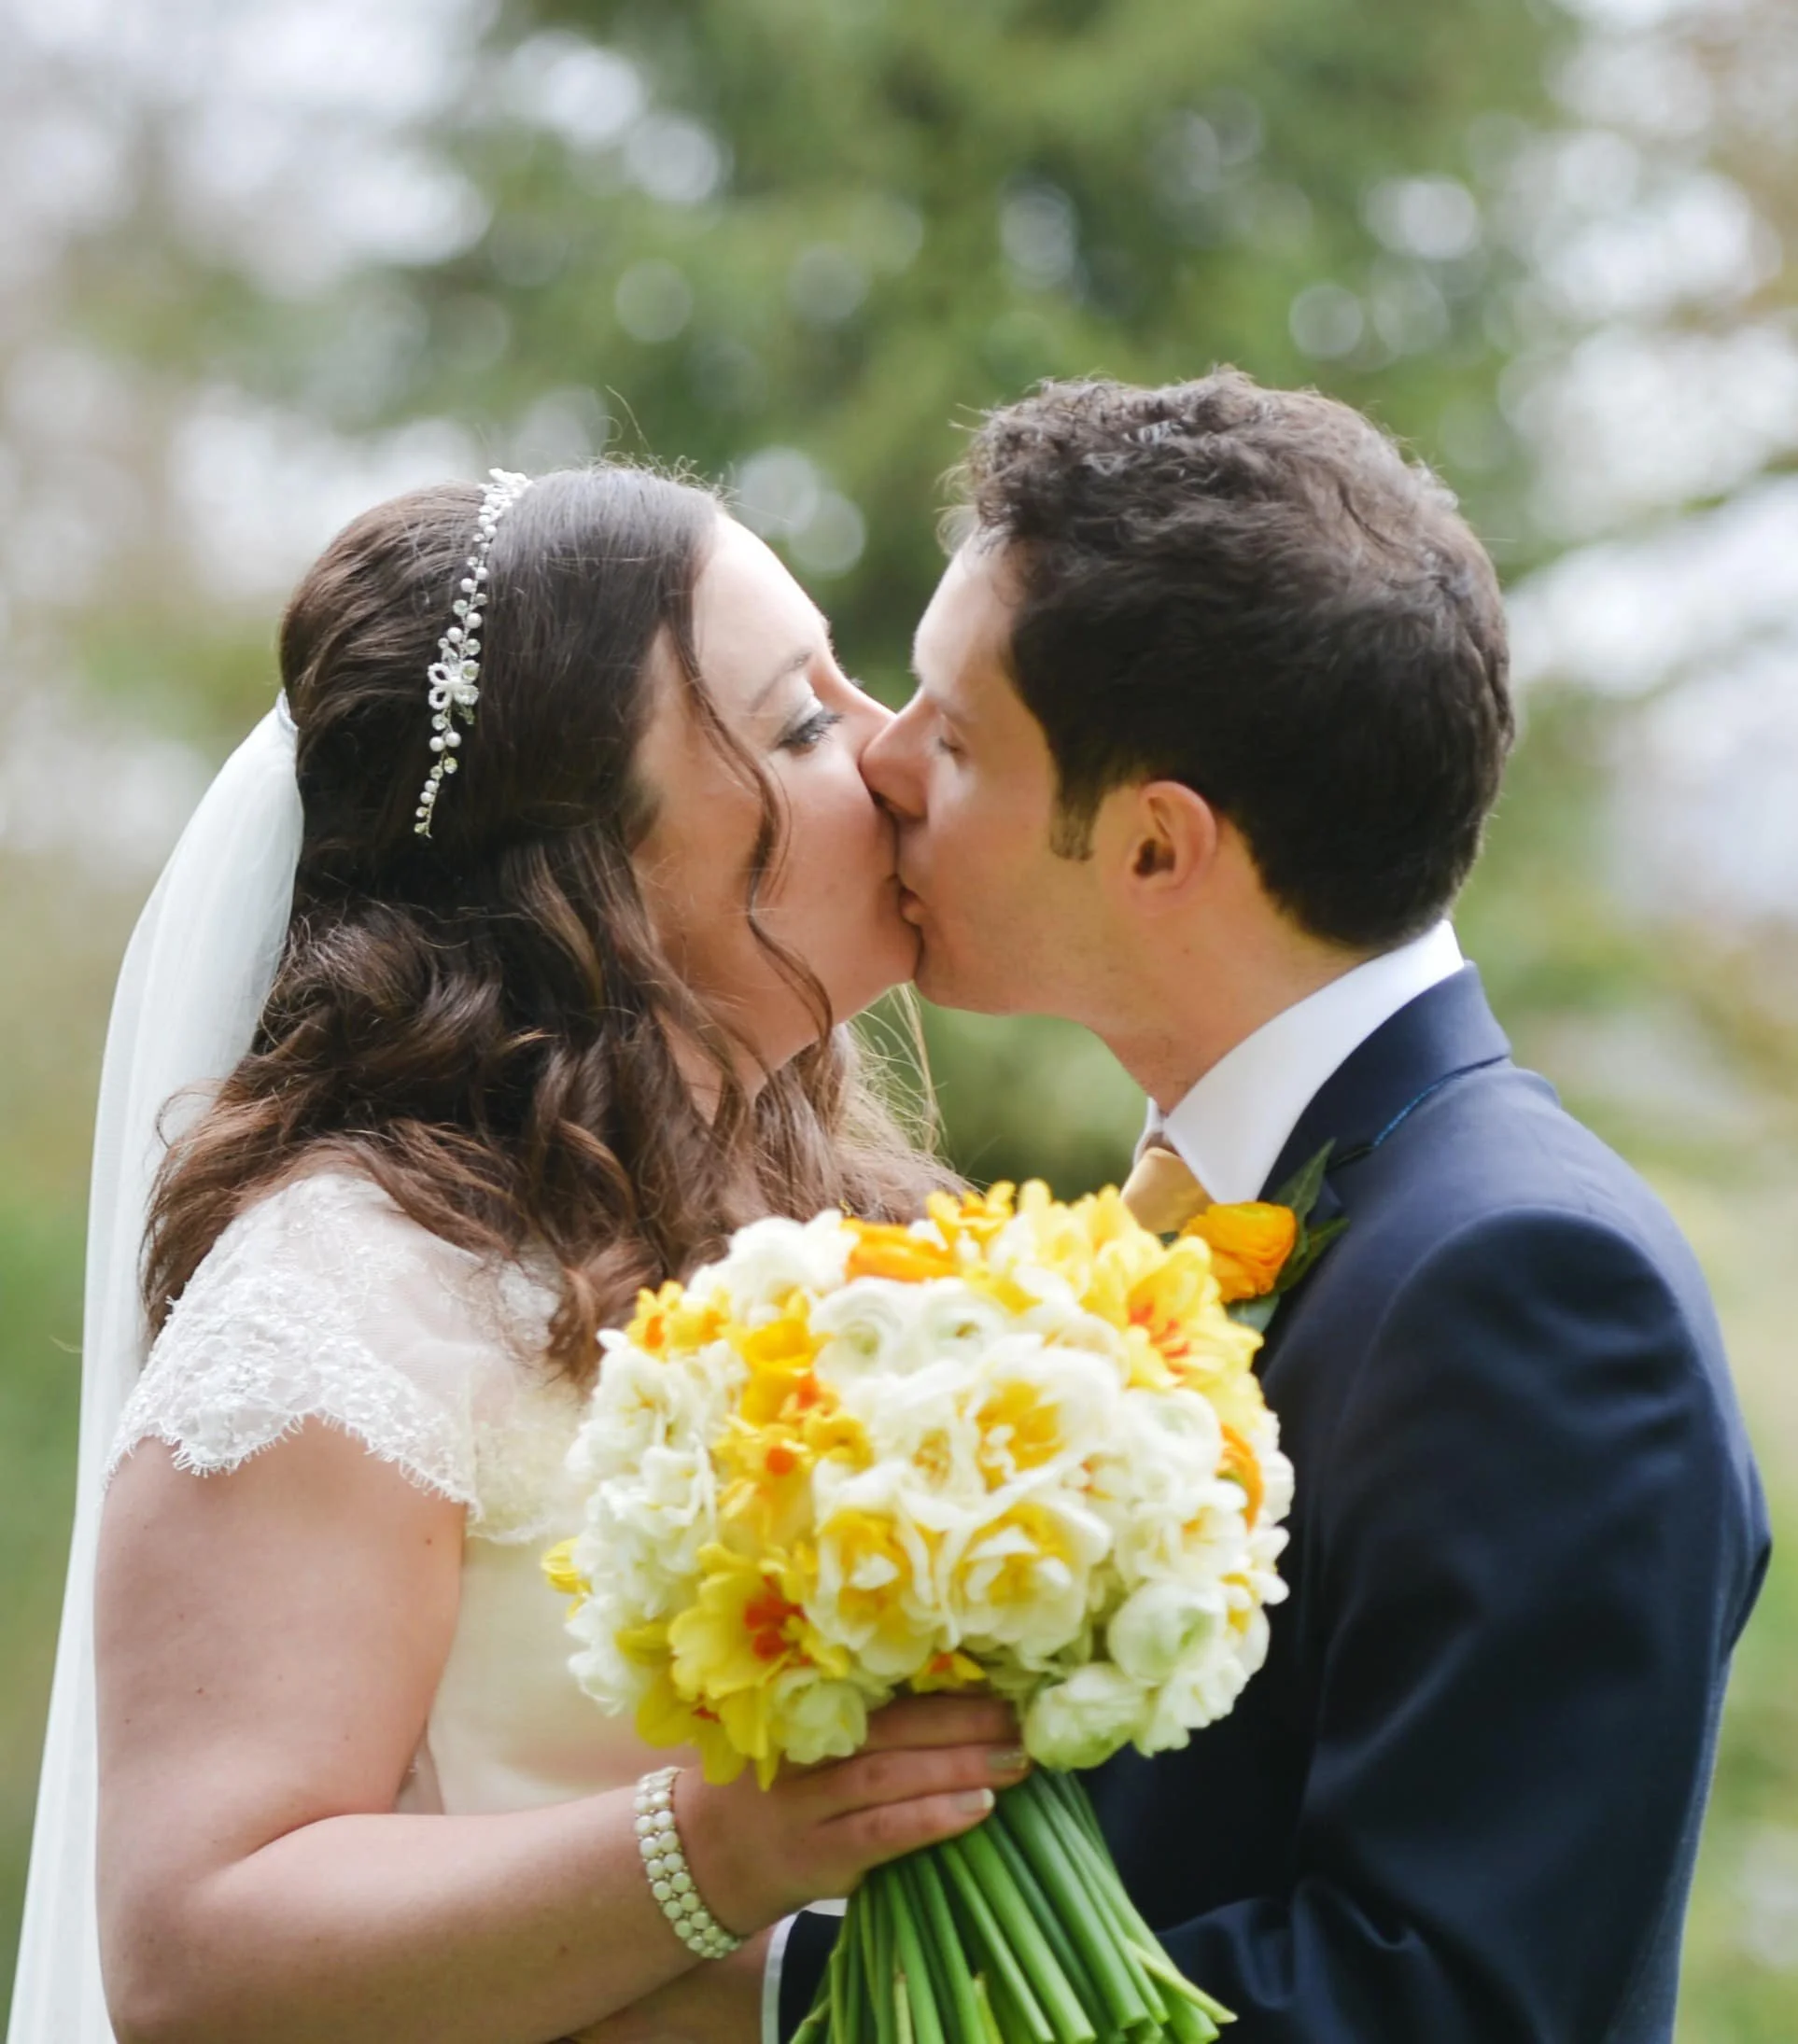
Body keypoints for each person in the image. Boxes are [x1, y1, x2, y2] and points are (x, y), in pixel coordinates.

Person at [769, 370, 1772, 2041]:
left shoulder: (1525, 1288)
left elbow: (1444, 2001)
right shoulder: (1205, 1211)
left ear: (1158, 847)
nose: (878, 758)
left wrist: (772, 1994)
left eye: (953, 735)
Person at [9, 462, 1030, 2044]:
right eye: (799, 725)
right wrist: (712, 1852)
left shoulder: (854, 1226)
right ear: (590, 862)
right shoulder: (347, 1286)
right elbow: (194, 1948)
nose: (891, 746)